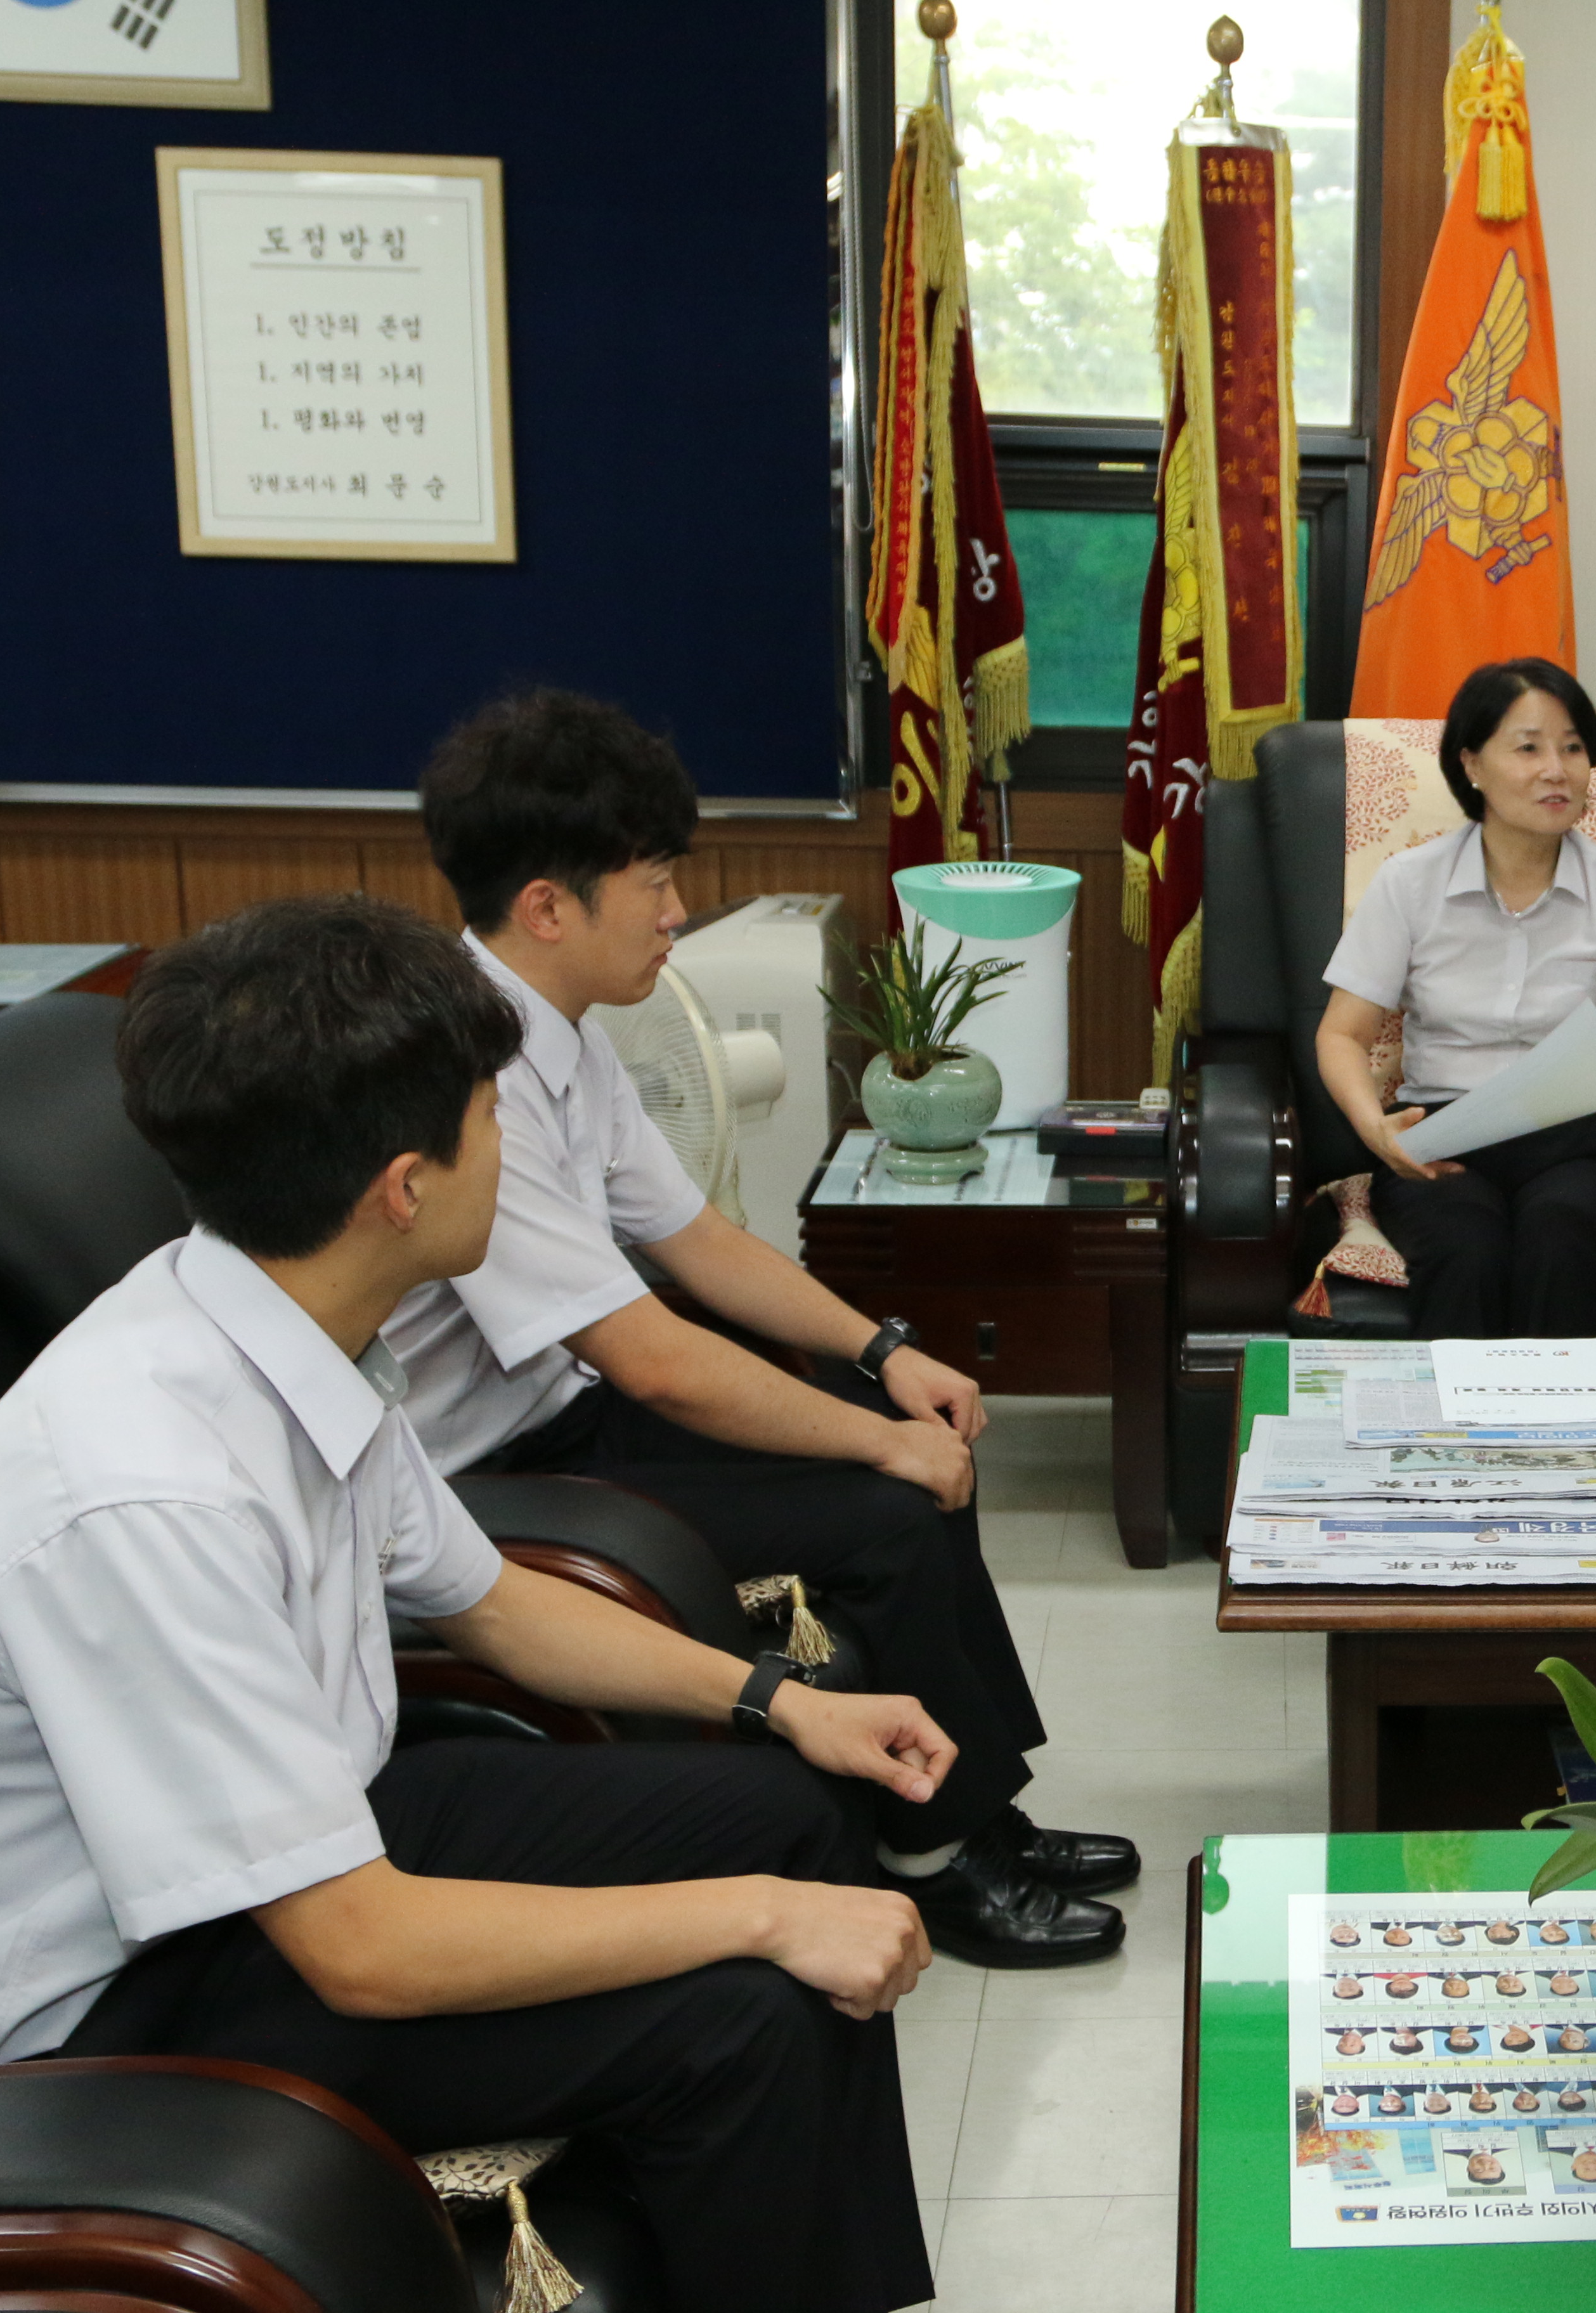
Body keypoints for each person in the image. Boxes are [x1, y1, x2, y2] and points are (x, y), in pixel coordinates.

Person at [0, 898, 944, 2313]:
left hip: (285, 1860)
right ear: (404, 1187)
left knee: (790, 1806)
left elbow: (495, 1606)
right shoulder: (141, 1487)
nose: (513, 1149)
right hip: (89, 2003)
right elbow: (361, 1953)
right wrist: (764, 1920)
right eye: (493, 1119)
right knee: (741, 2008)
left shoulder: (282, 1323)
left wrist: (783, 1700)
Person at [384, 690, 1128, 1969]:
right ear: (549, 907)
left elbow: (699, 1240)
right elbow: (652, 1358)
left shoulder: (566, 1037)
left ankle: (977, 1806)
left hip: (569, 1414)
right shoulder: (474, 1075)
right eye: (655, 884)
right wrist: (877, 1441)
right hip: (489, 1478)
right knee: (888, 1503)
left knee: (912, 1441)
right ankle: (933, 1854)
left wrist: (887, 1357)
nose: (678, 913)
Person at [1317, 658, 1596, 1338]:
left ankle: (1560, 1412)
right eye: (1529, 748)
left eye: (1573, 748)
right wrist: (1378, 1133)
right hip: (1446, 1136)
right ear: (1472, 765)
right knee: (1466, 1251)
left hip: (1579, 1144)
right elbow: (1341, 1034)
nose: (1557, 771)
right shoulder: (1410, 884)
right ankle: (1456, 1412)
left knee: (1559, 1243)